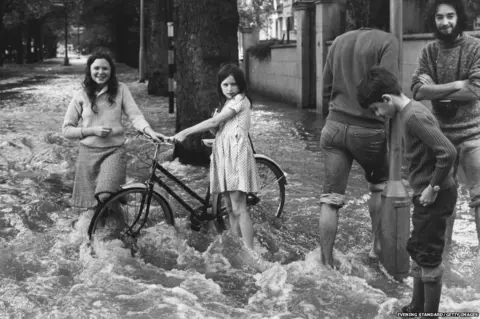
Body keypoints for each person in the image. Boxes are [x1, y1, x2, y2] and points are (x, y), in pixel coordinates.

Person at [358, 66, 457, 316]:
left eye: (376, 109)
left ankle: (428, 313)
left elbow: (448, 152)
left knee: (430, 257)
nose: (378, 114)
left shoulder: (413, 116)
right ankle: (416, 305)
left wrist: (433, 188)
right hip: (425, 193)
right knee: (418, 249)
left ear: (386, 100)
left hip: (435, 194)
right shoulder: (406, 113)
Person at [319, 9, 400, 266]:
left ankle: (325, 263)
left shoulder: (339, 41)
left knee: (330, 199)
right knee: (378, 186)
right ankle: (376, 249)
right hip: (368, 129)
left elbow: (325, 89)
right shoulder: (387, 41)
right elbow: (388, 86)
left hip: (333, 127)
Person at [62, 49, 166, 219]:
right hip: (87, 154)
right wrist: (91, 131)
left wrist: (149, 131)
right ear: (89, 70)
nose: (100, 72)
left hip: (114, 151)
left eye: (105, 68)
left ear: (111, 71)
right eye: (96, 68)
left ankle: (119, 232)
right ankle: (106, 237)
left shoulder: (121, 89)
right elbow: (66, 130)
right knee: (92, 208)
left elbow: (135, 116)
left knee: (106, 196)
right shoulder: (80, 94)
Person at [411, 0, 480, 248]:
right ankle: (443, 258)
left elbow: (474, 90)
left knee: (479, 198)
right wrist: (454, 86)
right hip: (440, 137)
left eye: (450, 16)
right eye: (440, 17)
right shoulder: (429, 51)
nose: (445, 22)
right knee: (441, 198)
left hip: (474, 134)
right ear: (434, 20)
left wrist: (435, 90)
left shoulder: (475, 47)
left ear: (459, 17)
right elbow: (417, 91)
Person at [168, 64, 258, 249]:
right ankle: (236, 245)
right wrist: (214, 123)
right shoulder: (226, 104)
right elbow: (217, 127)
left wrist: (185, 132)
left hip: (236, 153)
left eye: (233, 84)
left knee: (239, 206)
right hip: (223, 152)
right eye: (225, 85)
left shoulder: (240, 100)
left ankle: (252, 252)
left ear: (241, 85)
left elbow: (216, 121)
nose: (229, 89)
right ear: (220, 86)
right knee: (230, 207)